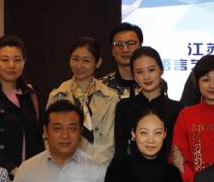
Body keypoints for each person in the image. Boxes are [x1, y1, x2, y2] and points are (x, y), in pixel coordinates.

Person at [0, 35, 43, 174]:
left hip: (31, 174)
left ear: (24, 62)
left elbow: (39, 139)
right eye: (5, 60)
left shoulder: (32, 96)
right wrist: (11, 169)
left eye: (17, 60)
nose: (11, 65)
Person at [48, 37, 119, 166]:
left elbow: (110, 142)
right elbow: (48, 137)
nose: (79, 66)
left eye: (86, 60)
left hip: (97, 168)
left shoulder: (111, 97)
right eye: (75, 59)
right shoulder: (57, 95)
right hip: (62, 167)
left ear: (98, 62)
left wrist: (90, 170)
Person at [114, 46, 184, 164]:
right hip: (131, 172)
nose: (146, 77)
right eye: (139, 72)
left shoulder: (176, 109)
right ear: (134, 76)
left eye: (151, 70)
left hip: (166, 172)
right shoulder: (124, 107)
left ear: (161, 70)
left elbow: (177, 151)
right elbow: (120, 151)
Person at [173, 53, 214, 182]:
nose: (212, 85)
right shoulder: (186, 115)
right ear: (197, 82)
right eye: (205, 80)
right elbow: (178, 156)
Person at [104, 22, 144, 100]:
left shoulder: (154, 83)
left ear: (140, 47)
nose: (125, 49)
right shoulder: (102, 87)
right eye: (119, 44)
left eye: (131, 43)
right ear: (112, 50)